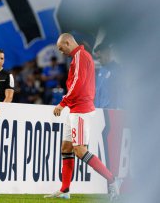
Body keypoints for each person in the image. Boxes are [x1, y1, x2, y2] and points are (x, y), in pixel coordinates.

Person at [45, 33, 122, 201]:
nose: (61, 52)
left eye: (61, 48)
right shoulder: (77, 57)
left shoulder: (80, 56)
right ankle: (65, 190)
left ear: (67, 42)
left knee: (80, 151)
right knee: (66, 148)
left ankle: (111, 180)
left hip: (80, 110)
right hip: (75, 109)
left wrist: (62, 103)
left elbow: (78, 83)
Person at [94, 42, 122, 109]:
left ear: (106, 53)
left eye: (99, 57)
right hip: (99, 111)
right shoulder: (101, 70)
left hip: (112, 111)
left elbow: (120, 91)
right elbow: (98, 92)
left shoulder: (117, 70)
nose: (98, 60)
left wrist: (120, 110)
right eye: (97, 58)